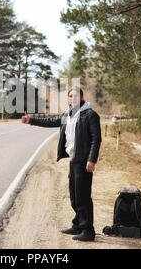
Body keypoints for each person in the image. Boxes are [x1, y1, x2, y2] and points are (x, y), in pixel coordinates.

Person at [21, 87, 101, 241]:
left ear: (82, 97)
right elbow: (51, 121)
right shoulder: (68, 114)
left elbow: (96, 139)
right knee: (74, 196)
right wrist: (31, 120)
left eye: (76, 96)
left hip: (84, 161)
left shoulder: (90, 115)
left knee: (82, 197)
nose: (73, 99)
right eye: (70, 96)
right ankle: (78, 224)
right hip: (73, 159)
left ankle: (88, 231)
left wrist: (92, 159)